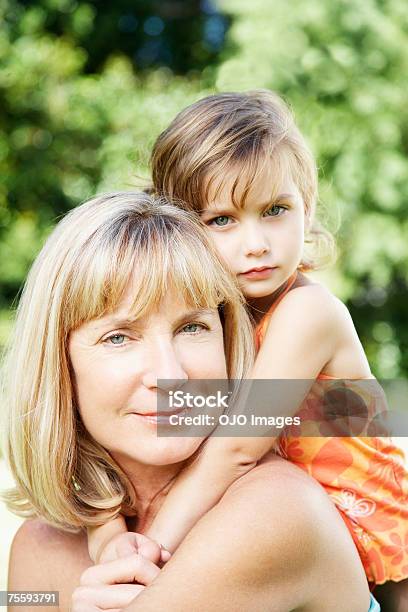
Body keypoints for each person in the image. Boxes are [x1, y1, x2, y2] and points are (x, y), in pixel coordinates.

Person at [88, 92, 407, 608]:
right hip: (282, 530)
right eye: (222, 220)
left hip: (372, 531)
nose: (256, 243)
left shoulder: (308, 314)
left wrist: (149, 554)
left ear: (307, 206)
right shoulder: (210, 318)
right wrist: (106, 537)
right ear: (181, 227)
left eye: (275, 210)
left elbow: (236, 449)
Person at [3, 191, 376, 611]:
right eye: (119, 337)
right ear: (59, 365)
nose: (171, 375)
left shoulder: (277, 512)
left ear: (227, 337)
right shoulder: (38, 544)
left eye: (193, 328)